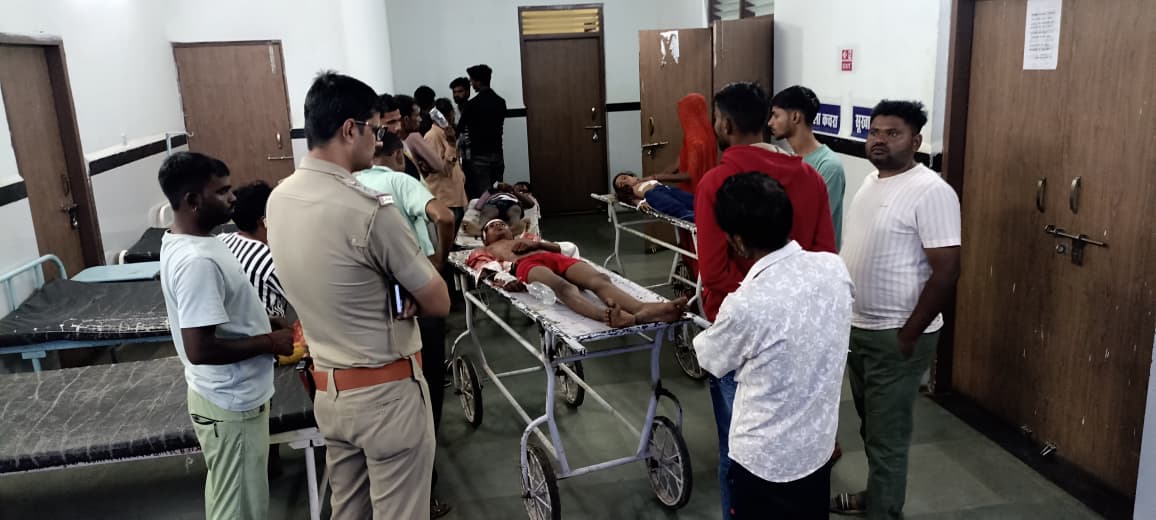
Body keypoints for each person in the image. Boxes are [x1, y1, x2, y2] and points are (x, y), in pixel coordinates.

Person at [266, 71, 451, 520]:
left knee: (349, 509)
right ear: (351, 129)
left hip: (329, 391)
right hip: (385, 395)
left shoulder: (280, 199)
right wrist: (406, 291)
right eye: (375, 129)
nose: (379, 139)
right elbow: (438, 301)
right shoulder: (368, 211)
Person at [695, 81, 837, 519]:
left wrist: (748, 310)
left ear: (725, 124)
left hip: (742, 338)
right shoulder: (809, 176)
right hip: (807, 332)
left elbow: (714, 273)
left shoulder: (717, 182)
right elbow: (824, 251)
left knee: (737, 450)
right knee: (809, 435)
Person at [831, 100, 961, 519]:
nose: (880, 140)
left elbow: (947, 271)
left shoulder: (931, 191)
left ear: (916, 141)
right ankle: (878, 497)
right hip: (860, 328)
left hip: (897, 334)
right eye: (874, 132)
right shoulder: (871, 182)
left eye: (892, 134)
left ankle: (884, 511)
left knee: (887, 435)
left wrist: (908, 335)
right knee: (872, 426)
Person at [157, 151, 294, 520]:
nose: (233, 197)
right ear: (192, 201)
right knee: (238, 508)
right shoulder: (197, 261)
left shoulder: (202, 241)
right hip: (231, 402)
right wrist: (269, 342)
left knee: (236, 498)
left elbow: (221, 314)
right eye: (221, 191)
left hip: (232, 398)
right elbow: (199, 348)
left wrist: (262, 321)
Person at [356, 128, 456, 518]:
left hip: (369, 303)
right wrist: (439, 262)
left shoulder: (348, 183)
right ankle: (425, 490)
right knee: (426, 390)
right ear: (400, 156)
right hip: (413, 293)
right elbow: (443, 216)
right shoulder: (400, 181)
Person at [468, 219, 687, 327]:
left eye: (502, 224)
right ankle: (605, 316)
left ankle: (642, 309)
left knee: (599, 279)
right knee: (563, 287)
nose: (499, 226)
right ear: (485, 238)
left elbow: (561, 248)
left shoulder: (529, 238)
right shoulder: (485, 250)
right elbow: (486, 269)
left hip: (550, 256)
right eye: (492, 226)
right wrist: (506, 280)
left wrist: (537, 244)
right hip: (524, 265)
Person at [770, 85, 847, 249]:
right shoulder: (788, 160)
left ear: (795, 117)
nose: (770, 122)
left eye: (776, 115)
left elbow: (814, 222)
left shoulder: (829, 165)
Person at [217, 180, 288, 326]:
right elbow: (308, 301)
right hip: (268, 330)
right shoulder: (269, 259)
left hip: (232, 326)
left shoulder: (223, 240)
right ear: (264, 221)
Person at [652, 93, 718, 194]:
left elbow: (689, 175)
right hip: (709, 189)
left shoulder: (695, 139)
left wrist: (656, 177)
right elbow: (676, 165)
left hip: (695, 193)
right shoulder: (708, 135)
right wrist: (655, 178)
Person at [460, 64, 507, 198]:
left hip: (479, 156)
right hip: (497, 153)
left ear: (478, 81)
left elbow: (460, 128)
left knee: (485, 195)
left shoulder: (471, 105)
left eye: (472, 80)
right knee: (499, 192)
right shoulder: (500, 102)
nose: (471, 83)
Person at [424, 97, 469, 231]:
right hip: (445, 199)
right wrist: (451, 146)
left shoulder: (446, 134)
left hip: (455, 196)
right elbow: (442, 169)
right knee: (449, 237)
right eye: (451, 114)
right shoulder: (432, 136)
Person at [613, 171, 695, 222]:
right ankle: (689, 215)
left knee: (689, 199)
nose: (625, 182)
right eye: (622, 185)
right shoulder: (632, 191)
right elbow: (629, 199)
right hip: (652, 194)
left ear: (633, 176)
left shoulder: (645, 179)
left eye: (624, 178)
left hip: (667, 189)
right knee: (672, 205)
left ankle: (699, 210)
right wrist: (640, 203)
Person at [394, 94, 425, 180]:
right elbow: (439, 166)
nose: (420, 119)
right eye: (417, 115)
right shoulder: (394, 152)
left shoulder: (403, 144)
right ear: (406, 120)